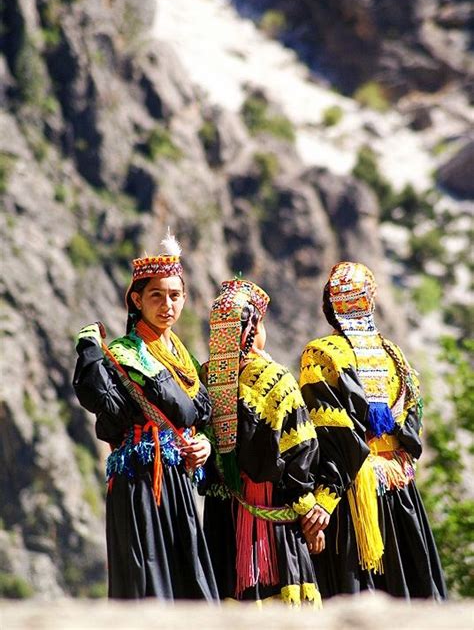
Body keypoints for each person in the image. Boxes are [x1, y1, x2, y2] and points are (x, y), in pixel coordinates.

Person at [72, 232, 219, 600]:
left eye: (174, 295)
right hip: (141, 480)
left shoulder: (181, 355)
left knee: (186, 580)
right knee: (149, 579)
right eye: (156, 295)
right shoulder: (125, 353)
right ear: (137, 300)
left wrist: (202, 443)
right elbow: (179, 409)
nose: (167, 304)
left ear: (185, 298)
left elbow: (197, 416)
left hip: (176, 481)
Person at [299, 261, 447, 600]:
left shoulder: (320, 354)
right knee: (411, 586)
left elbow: (335, 436)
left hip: (352, 495)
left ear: (328, 307)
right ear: (373, 300)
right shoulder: (394, 354)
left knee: (359, 591)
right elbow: (412, 421)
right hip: (400, 487)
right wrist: (396, 464)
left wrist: (323, 499)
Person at [202, 278, 324, 606]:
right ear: (252, 330)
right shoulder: (276, 380)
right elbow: (301, 450)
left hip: (220, 514)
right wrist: (307, 509)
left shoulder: (204, 379)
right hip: (272, 517)